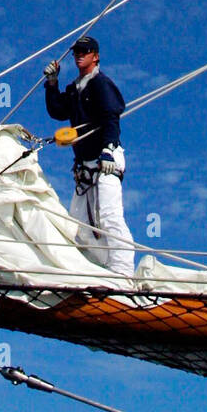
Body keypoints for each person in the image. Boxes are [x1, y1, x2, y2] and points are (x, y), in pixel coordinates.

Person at [44, 34, 134, 277]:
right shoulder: (75, 89)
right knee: (80, 223)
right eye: (76, 52)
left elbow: (111, 116)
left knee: (109, 216)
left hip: (107, 158)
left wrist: (108, 149)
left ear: (96, 56)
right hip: (85, 166)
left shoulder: (100, 84)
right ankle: (99, 268)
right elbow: (58, 110)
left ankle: (123, 272)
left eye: (85, 51)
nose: (79, 55)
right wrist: (52, 83)